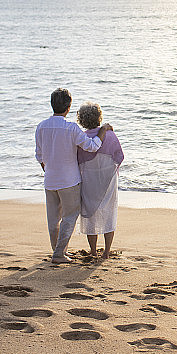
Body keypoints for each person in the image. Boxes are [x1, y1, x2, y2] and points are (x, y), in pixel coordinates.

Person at [35, 88, 112, 264]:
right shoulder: (71, 128)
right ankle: (59, 254)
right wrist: (103, 130)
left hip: (50, 180)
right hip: (69, 181)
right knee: (69, 217)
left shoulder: (41, 126)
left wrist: (49, 171)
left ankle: (57, 251)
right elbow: (92, 146)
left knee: (53, 219)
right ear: (68, 107)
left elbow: (39, 156)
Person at [76, 101, 124, 259]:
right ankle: (107, 252)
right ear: (99, 117)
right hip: (108, 180)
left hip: (89, 181)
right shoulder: (110, 135)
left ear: (82, 120)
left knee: (90, 215)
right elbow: (119, 157)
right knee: (109, 214)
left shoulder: (82, 138)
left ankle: (93, 250)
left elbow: (78, 162)